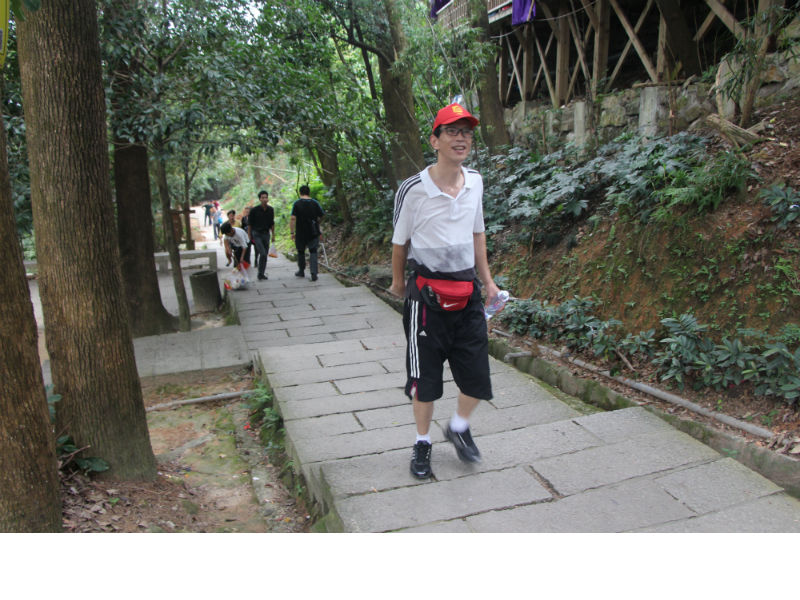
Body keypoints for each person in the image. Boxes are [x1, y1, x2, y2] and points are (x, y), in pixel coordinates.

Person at [388, 102, 502, 480]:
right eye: (452, 131)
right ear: (434, 140)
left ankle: (458, 426)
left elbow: (478, 233)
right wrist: (399, 283)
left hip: (467, 292)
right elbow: (399, 242)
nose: (461, 138)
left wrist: (488, 282)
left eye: (466, 132)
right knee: (425, 380)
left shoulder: (475, 181)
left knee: (477, 375)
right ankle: (422, 442)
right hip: (426, 299)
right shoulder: (412, 189)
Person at [290, 185, 324, 282]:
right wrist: (317, 223)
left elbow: (293, 218)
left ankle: (301, 270)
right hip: (313, 231)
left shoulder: (297, 204)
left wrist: (292, 232)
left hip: (300, 231)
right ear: (309, 192)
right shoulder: (315, 203)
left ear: (300, 193)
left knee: (301, 251)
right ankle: (314, 272)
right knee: (313, 251)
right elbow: (322, 215)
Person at [248, 190, 275, 281]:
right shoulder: (254, 210)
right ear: (259, 199)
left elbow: (272, 223)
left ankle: (261, 273)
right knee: (262, 253)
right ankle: (260, 272)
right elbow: (250, 224)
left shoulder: (270, 210)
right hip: (257, 234)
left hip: (266, 234)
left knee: (265, 254)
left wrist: (273, 235)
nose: (264, 199)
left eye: (266, 197)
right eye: (262, 198)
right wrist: (249, 235)